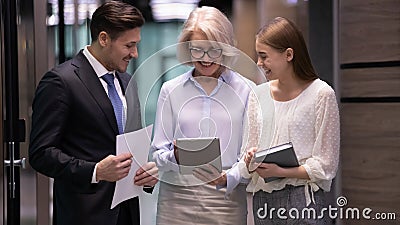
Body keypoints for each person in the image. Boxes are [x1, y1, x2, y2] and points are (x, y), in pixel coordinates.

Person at [28, 1, 158, 225]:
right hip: (83, 215)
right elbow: (41, 153)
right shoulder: (61, 81)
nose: (135, 54)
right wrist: (95, 171)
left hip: (127, 213)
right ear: (104, 38)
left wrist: (146, 174)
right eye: (129, 45)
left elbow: (129, 146)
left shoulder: (127, 82)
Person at [149, 6, 254, 225]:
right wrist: (174, 157)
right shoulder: (171, 90)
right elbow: (158, 153)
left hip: (226, 200)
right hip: (176, 200)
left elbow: (250, 155)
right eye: (197, 50)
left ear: (225, 48)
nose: (205, 58)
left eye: (213, 50)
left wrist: (230, 177)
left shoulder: (247, 91)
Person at [241, 17, 340, 225]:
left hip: (304, 202)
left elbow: (326, 165)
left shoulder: (322, 94)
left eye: (263, 56)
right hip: (264, 202)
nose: (259, 63)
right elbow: (247, 152)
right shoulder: (257, 95)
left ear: (288, 54)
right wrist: (251, 158)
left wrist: (282, 172)